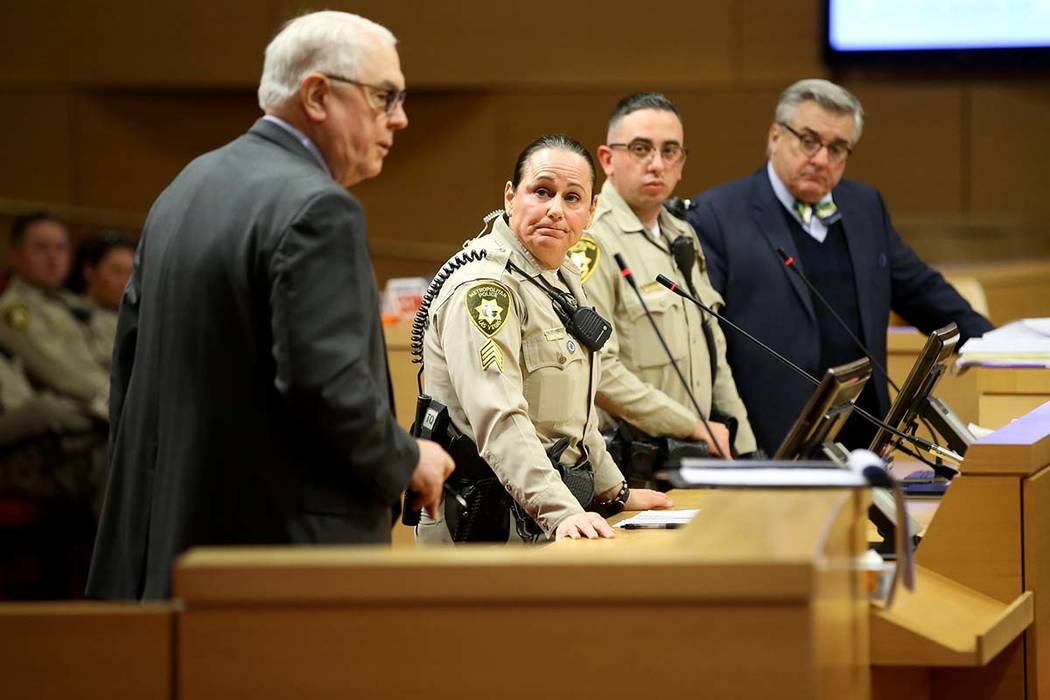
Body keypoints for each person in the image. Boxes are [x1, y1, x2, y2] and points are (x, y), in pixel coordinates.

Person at [86, 11, 454, 600]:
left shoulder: (183, 190)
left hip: (171, 542)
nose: (401, 118)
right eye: (385, 96)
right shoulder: (317, 208)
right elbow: (324, 387)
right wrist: (407, 458)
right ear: (317, 94)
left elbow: (127, 378)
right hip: (280, 557)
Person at [686, 79, 994, 454]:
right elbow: (702, 338)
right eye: (809, 141)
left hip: (866, 436)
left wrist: (997, 346)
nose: (821, 159)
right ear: (775, 137)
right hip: (774, 441)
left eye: (837, 148)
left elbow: (922, 291)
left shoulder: (863, 205)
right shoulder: (718, 215)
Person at [416, 134, 672, 544]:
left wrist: (614, 491)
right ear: (510, 197)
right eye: (541, 191)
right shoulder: (486, 288)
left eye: (572, 198)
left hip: (537, 519)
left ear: (591, 213)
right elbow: (500, 420)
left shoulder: (561, 278)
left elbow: (577, 417)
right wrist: (564, 511)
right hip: (485, 528)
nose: (555, 210)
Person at [569, 93, 757, 470]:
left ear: (682, 163)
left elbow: (713, 351)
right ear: (607, 159)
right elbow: (598, 373)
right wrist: (692, 426)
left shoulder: (681, 235)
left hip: (696, 460)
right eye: (641, 149)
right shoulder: (591, 242)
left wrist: (746, 449)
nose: (656, 164)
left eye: (670, 151)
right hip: (632, 469)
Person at [0, 212, 110, 420]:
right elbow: (61, 373)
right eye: (41, 248)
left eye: (60, 248)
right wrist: (123, 399)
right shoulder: (14, 311)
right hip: (77, 414)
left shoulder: (74, 303)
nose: (53, 257)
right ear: (16, 255)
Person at [68, 230, 136, 369]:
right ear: (89, 271)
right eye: (116, 271)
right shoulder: (69, 313)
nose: (125, 282)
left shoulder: (138, 318)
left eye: (130, 272)